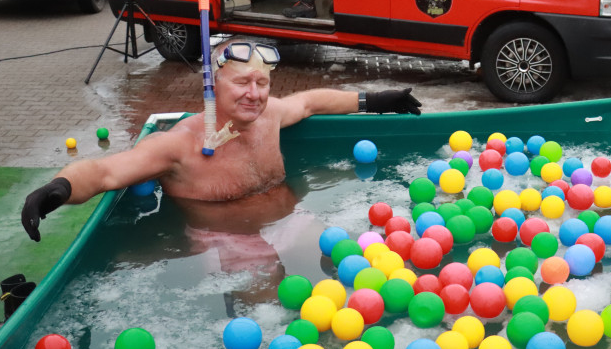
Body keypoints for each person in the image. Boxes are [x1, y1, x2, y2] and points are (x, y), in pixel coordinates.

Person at [21, 39, 421, 242]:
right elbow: (105, 172)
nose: (255, 93)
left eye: (262, 83)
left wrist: (377, 100)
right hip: (228, 244)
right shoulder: (178, 145)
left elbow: (310, 102)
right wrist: (56, 190)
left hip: (291, 220)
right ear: (212, 84)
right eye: (242, 82)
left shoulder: (269, 117)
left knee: (346, 273)